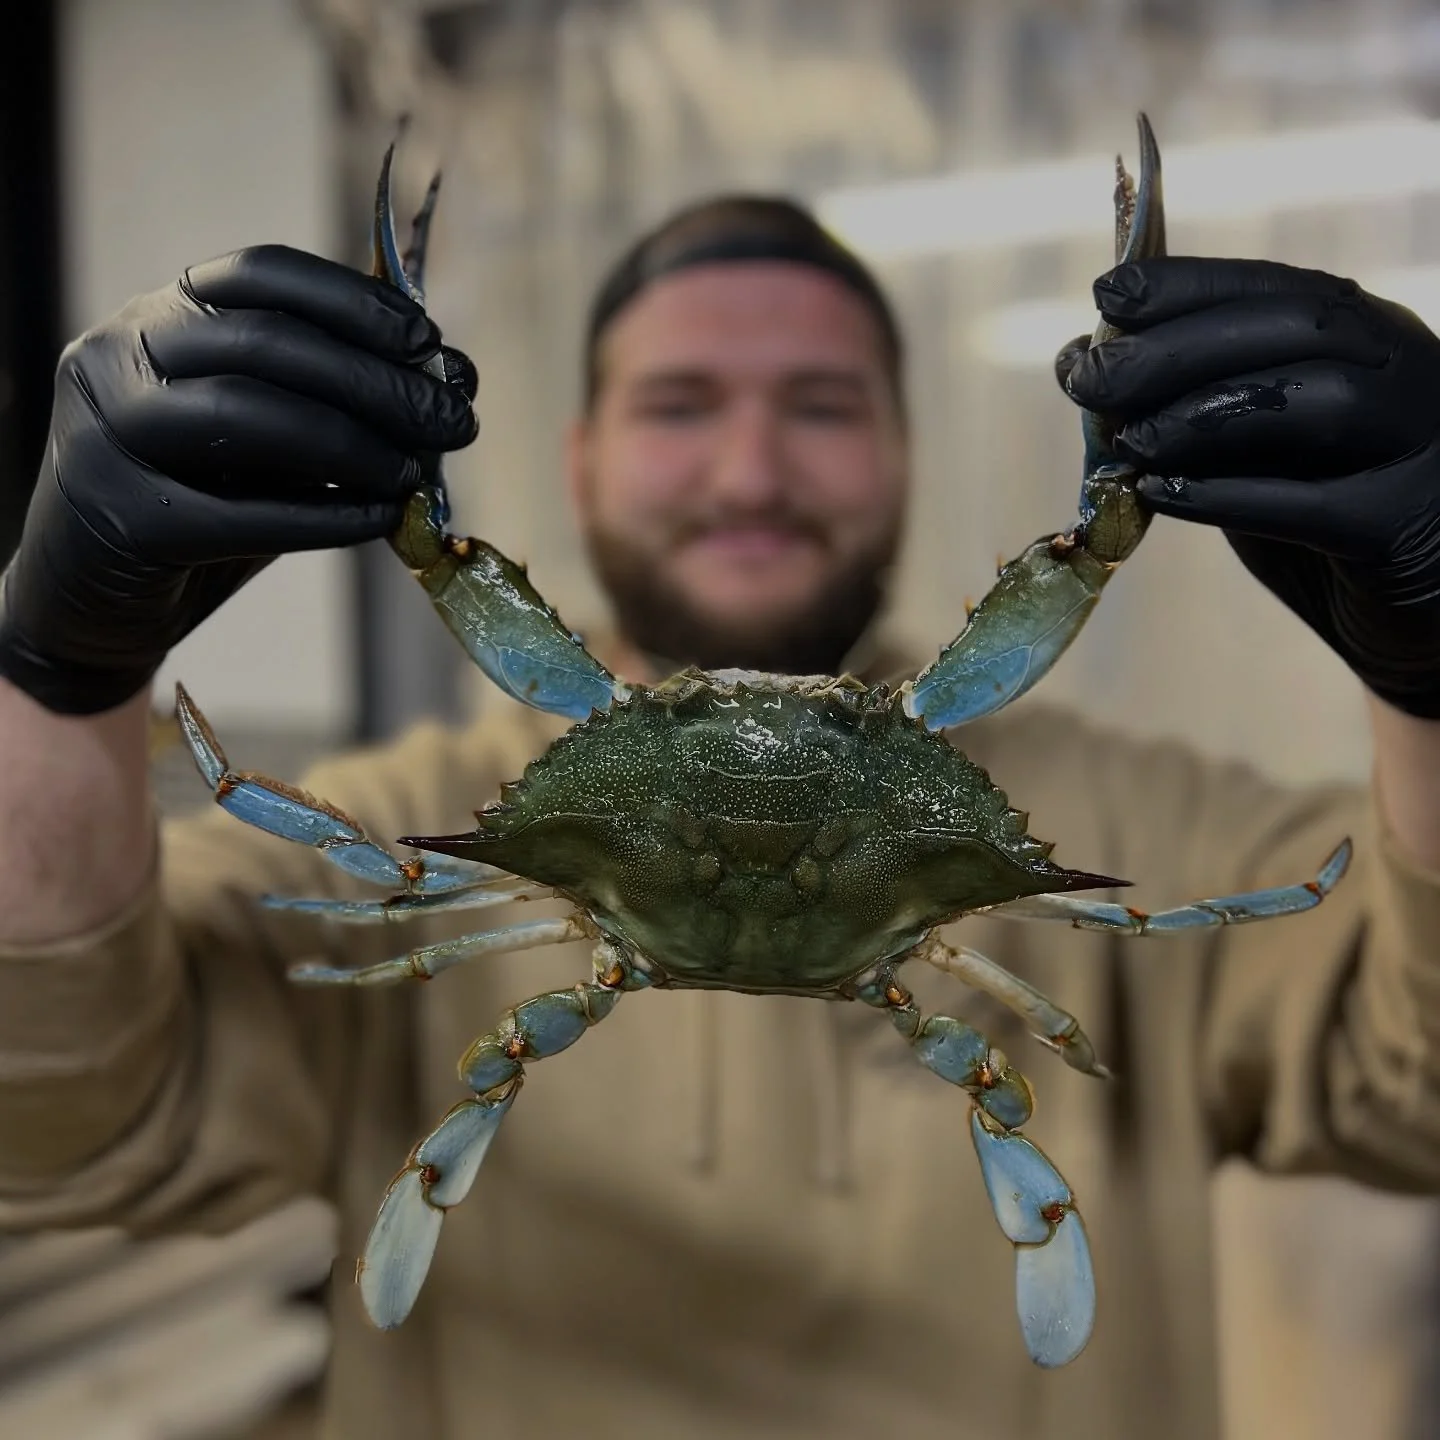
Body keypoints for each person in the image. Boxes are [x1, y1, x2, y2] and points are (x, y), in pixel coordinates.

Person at [1, 185, 1439, 1440]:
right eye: (681, 405)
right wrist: (58, 675)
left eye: (820, 406)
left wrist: (1434, 678)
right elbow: (54, 1120)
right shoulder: (420, 814)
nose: (751, 470)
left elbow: (1413, 1087)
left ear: (904, 453)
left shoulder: (1138, 815)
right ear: (576, 459)